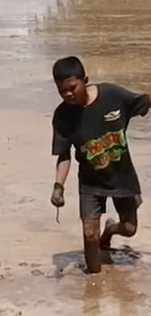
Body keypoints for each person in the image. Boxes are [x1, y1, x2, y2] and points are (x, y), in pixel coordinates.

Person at [51, 56, 151, 274]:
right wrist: (58, 186)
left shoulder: (112, 96)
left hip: (122, 177)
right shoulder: (62, 115)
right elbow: (64, 155)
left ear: (85, 80)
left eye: (72, 88)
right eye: (62, 91)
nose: (68, 94)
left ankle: (110, 232)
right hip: (90, 182)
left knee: (129, 228)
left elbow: (143, 102)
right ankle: (93, 281)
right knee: (89, 234)